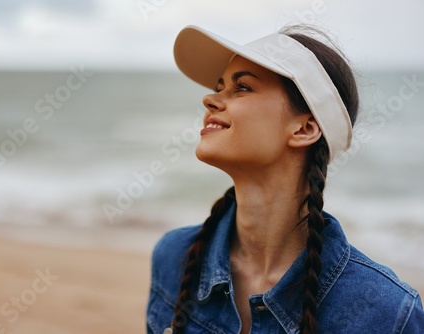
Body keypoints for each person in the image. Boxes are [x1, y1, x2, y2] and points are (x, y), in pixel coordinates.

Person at [146, 25, 424, 334]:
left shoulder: (386, 313)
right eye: (219, 85)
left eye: (242, 87)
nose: (210, 99)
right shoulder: (174, 258)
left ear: (304, 129)